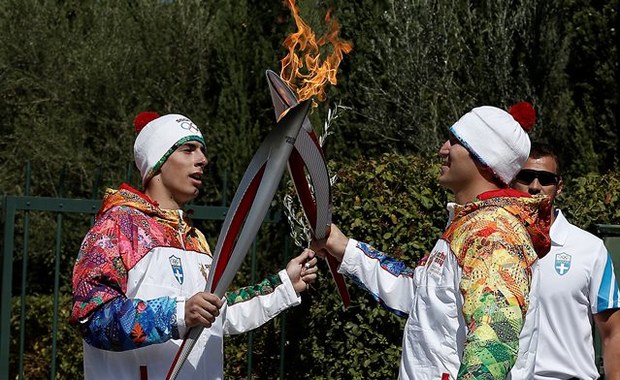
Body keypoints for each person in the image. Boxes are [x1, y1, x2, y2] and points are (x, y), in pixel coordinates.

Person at [69, 112, 318, 380]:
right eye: (188, 149)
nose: (202, 160)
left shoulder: (195, 239)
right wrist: (178, 314)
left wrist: (284, 285)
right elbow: (91, 317)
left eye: (202, 150)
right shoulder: (118, 227)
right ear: (158, 163)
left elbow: (219, 311)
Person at [312, 102, 552, 379]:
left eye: (454, 141)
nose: (443, 149)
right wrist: (344, 248)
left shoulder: (492, 234)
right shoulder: (467, 226)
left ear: (483, 159)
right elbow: (422, 298)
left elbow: (495, 338)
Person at [511, 143, 620, 379]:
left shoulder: (590, 249)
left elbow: (613, 333)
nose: (535, 187)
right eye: (526, 176)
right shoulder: (493, 245)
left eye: (545, 179)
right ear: (512, 180)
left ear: (558, 187)